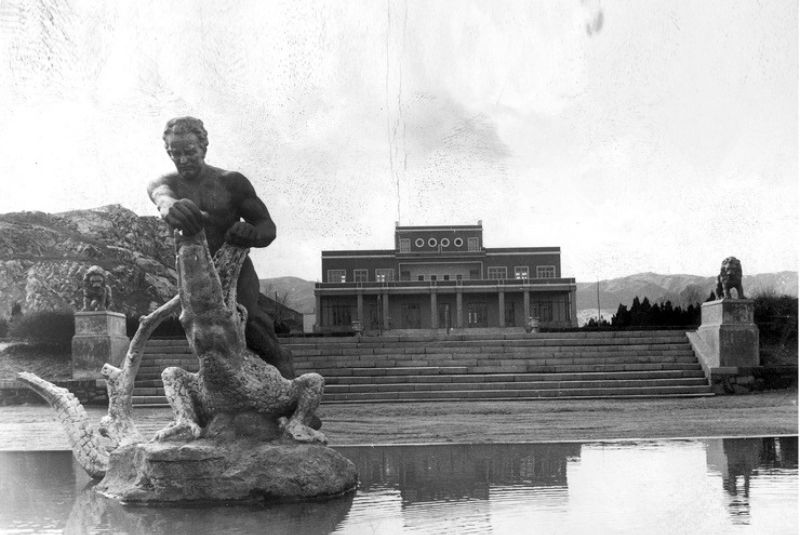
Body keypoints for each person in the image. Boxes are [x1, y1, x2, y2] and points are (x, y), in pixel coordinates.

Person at [148, 116, 295, 378]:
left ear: (203, 147)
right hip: (196, 273)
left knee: (253, 326)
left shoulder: (231, 182)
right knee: (208, 338)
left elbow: (267, 227)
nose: (182, 160)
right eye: (175, 153)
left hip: (237, 269)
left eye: (189, 152)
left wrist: (250, 232)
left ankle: (292, 392)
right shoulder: (166, 183)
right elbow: (162, 197)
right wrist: (169, 206)